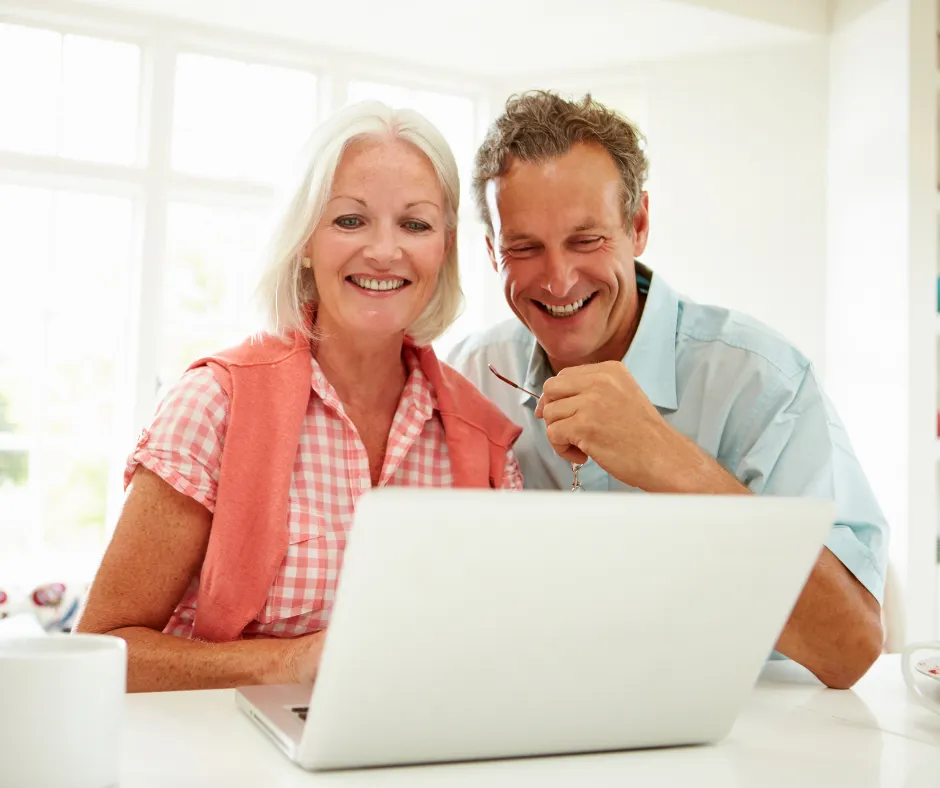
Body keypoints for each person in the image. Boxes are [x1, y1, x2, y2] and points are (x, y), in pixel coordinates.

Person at [75, 102, 523, 692]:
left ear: (443, 251)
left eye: (415, 224)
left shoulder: (483, 438)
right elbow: (102, 654)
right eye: (350, 221)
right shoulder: (214, 405)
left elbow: (503, 644)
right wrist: (291, 661)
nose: (384, 251)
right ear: (305, 240)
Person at [447, 91, 887, 690]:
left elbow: (851, 648)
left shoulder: (763, 381)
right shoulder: (470, 375)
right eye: (525, 247)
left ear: (639, 224)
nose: (557, 279)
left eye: (586, 240)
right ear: (494, 250)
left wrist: (668, 460)